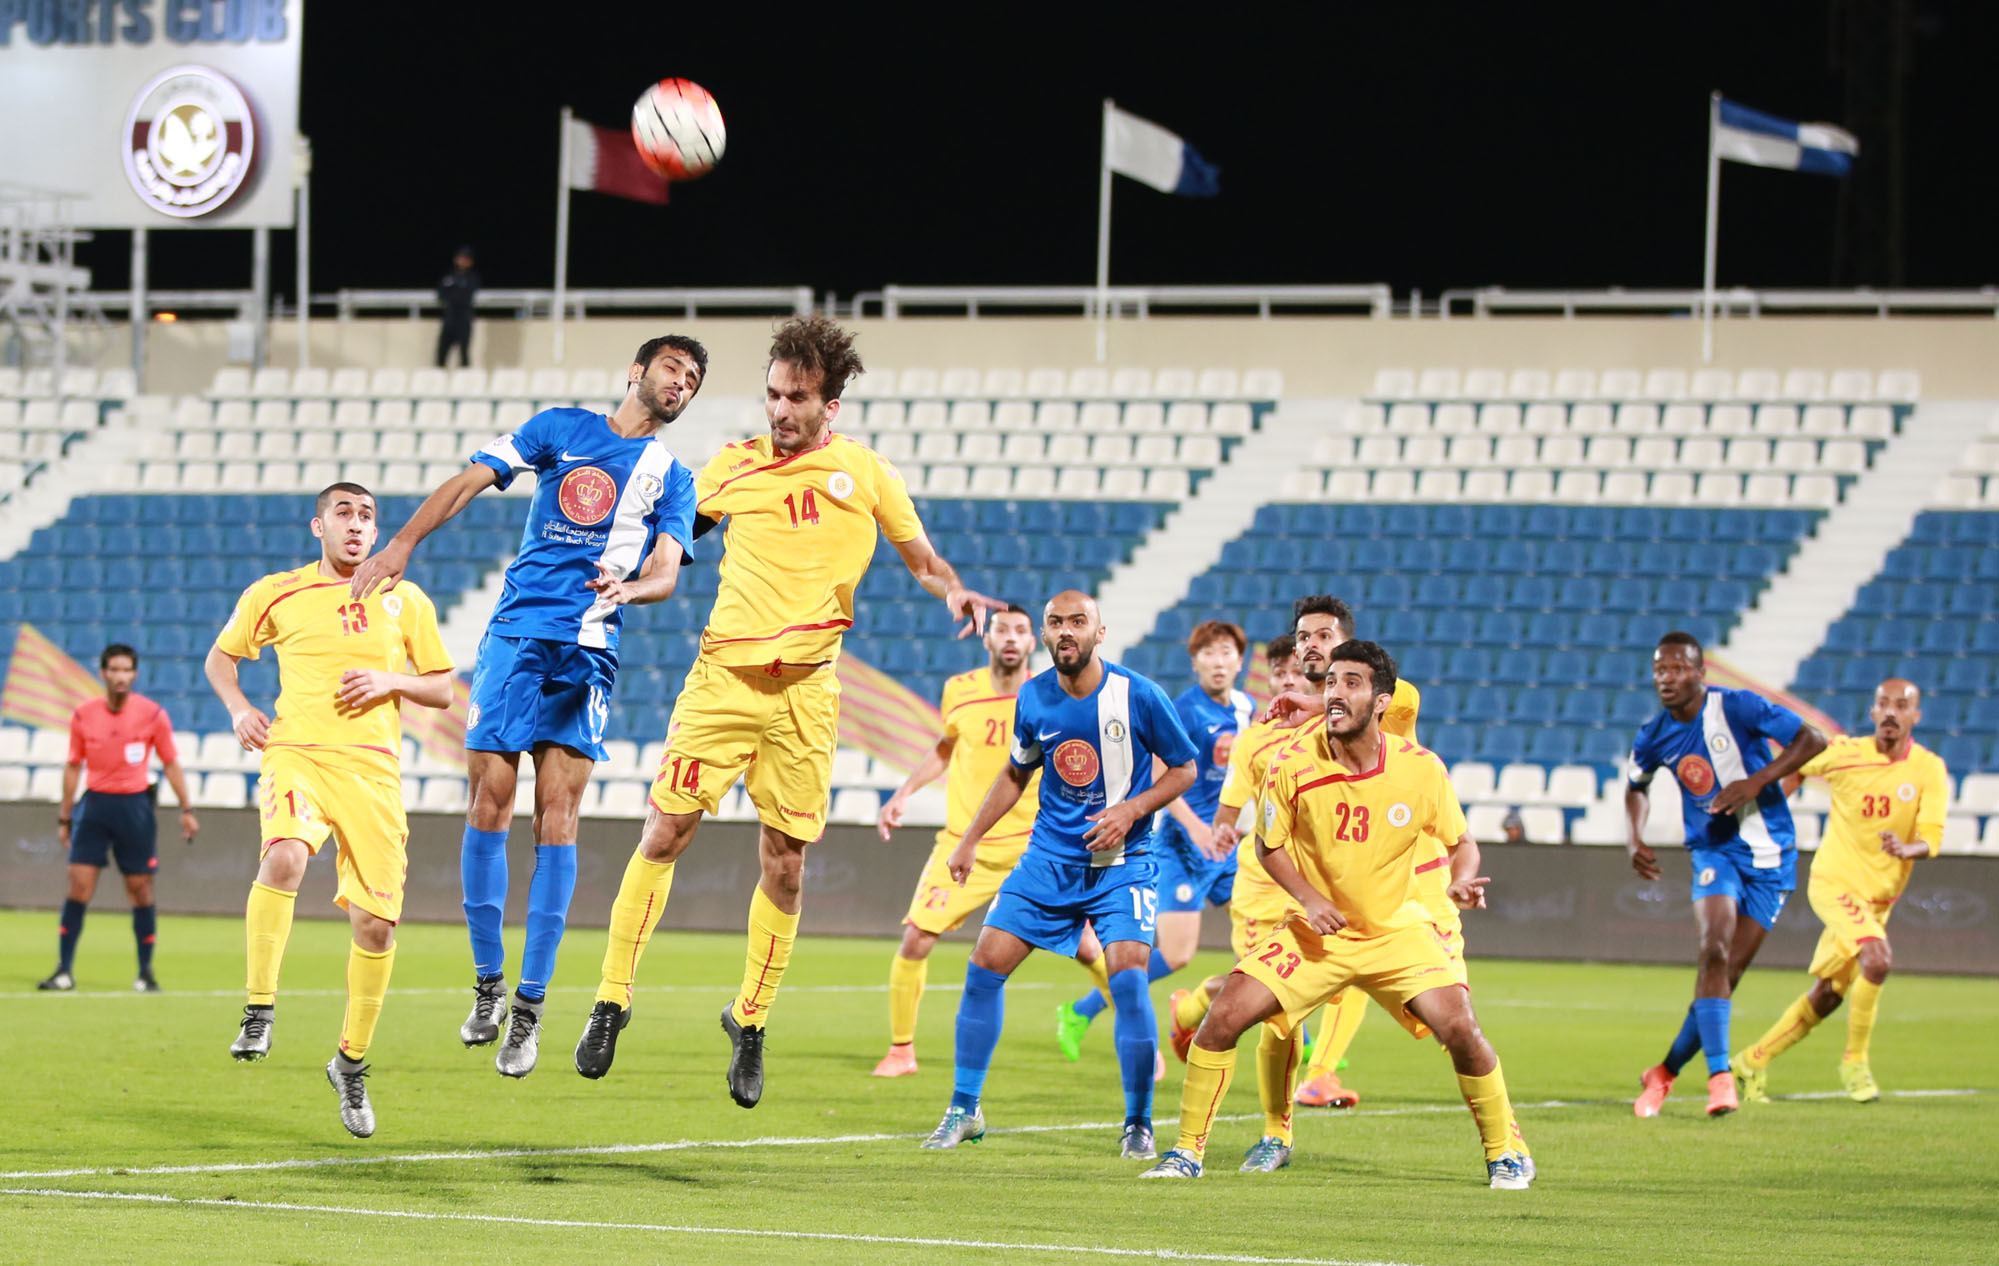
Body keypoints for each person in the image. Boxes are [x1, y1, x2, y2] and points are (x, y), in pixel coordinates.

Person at [571, 315, 1001, 1108]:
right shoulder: (731, 466)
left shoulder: (865, 473)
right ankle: (611, 998)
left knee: (786, 863)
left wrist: (954, 589)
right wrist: (621, 568)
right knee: (664, 831)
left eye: (796, 398)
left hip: (806, 695)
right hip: (723, 682)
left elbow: (922, 560)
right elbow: (672, 537)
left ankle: (750, 1018)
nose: (779, 409)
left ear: (829, 405)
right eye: (772, 393)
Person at [348, 335, 704, 1078]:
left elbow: (668, 571)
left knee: (557, 815)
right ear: (636, 370)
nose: (682, 383)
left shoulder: (673, 477)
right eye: (673, 368)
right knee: (489, 800)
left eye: (693, 379)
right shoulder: (558, 428)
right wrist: (403, 542)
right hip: (514, 635)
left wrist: (630, 589)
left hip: (589, 649)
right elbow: (469, 482)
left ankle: (531, 1007)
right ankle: (488, 985)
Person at [1142, 640, 1530, 1187]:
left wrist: (1462, 880)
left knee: (1461, 1028)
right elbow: (1268, 846)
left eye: (1352, 683)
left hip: (1396, 933)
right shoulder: (1292, 764)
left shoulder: (1420, 769)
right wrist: (1311, 899)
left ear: (1381, 702)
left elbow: (1461, 843)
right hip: (1315, 935)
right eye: (1331, 683)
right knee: (1223, 1018)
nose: (1336, 693)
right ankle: (1187, 1153)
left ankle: (1504, 1153)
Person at [204, 483, 455, 1138]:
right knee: (285, 856)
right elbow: (221, 658)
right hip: (298, 755)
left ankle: (350, 1062)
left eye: (367, 516)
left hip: (373, 775)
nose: (357, 524)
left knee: (376, 928)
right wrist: (238, 708)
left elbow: (441, 688)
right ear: (318, 526)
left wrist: (391, 680)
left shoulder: (405, 599)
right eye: (344, 513)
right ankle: (259, 1009)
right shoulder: (276, 592)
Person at [921, 590, 1198, 1158]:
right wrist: (970, 839)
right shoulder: (1033, 696)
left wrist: (1131, 810)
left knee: (1127, 978)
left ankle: (1138, 1123)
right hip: (1048, 861)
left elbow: (1185, 769)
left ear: (1100, 632)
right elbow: (1016, 773)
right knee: (983, 968)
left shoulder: (1139, 695)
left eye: (1078, 621)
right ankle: (964, 1109)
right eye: (1056, 622)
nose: (1066, 630)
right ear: (1045, 636)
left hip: (1122, 864)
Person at [1194, 594, 1432, 1111]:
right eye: (1298, 645)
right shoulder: (1259, 740)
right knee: (1263, 1003)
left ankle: (1317, 1078)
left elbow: (1406, 699)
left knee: (1377, 996)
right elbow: (1236, 813)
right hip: (1268, 885)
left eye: (1323, 637)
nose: (1292, 672)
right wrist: (1221, 833)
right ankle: (1198, 1018)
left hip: (1346, 889)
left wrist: (1322, 703)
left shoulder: (1365, 715)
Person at [872, 605, 1115, 1076]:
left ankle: (1138, 1036)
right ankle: (901, 1051)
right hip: (966, 844)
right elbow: (945, 747)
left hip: (1033, 847)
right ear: (987, 639)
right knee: (916, 938)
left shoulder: (1052, 693)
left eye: (1020, 631)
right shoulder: (959, 690)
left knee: (1088, 946)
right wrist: (903, 793)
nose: (1010, 638)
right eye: (1002, 629)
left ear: (1033, 642)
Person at [1625, 630, 1827, 1119]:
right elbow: (1636, 785)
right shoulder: (1653, 735)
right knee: (1713, 949)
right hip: (1714, 852)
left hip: (1772, 858)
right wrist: (1635, 838)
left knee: (1725, 977)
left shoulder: (1738, 706)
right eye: (1659, 669)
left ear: (1700, 672)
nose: (1666, 678)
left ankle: (1664, 1072)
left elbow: (1813, 740)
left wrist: (1755, 781)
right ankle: (1720, 1078)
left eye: (1677, 668)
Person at [1736, 678, 1947, 1104]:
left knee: (1829, 995)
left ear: (1915, 715)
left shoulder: (1928, 768)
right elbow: (1797, 762)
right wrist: (1776, 808)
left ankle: (1751, 1062)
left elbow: (1932, 837)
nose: (1891, 712)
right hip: (1834, 884)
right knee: (1878, 958)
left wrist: (1907, 848)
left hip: (1878, 900)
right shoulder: (1846, 753)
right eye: (1883, 704)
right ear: (1873, 712)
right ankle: (1855, 1063)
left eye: (1901, 705)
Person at [1055, 621, 1251, 1057]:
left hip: (1224, 848)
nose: (1218, 662)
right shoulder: (1186, 711)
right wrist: (1197, 828)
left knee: (1262, 941)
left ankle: (1305, 1046)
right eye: (1208, 654)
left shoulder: (1245, 708)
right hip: (1183, 847)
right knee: (1177, 955)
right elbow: (1163, 777)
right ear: (1195, 662)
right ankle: (1081, 1010)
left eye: (1226, 653)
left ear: (1240, 661)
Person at [38, 643, 198, 993]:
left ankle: (145, 973)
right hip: (95, 805)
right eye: (115, 670)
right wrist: (65, 817)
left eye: (127, 670)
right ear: (103, 673)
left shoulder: (152, 715)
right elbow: (73, 766)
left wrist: (186, 809)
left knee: (140, 889)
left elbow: (170, 763)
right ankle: (64, 971)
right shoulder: (84, 715)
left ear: (135, 674)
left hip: (135, 807)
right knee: (78, 885)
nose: (121, 676)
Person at [436, 247, 479, 368]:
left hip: (464, 318)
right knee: (442, 351)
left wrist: (454, 296)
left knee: (464, 352)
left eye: (466, 259)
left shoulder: (473, 277)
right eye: (461, 258)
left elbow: (466, 296)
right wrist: (453, 296)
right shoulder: (448, 276)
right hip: (449, 318)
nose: (463, 261)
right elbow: (441, 295)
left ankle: (465, 376)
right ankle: (440, 375)